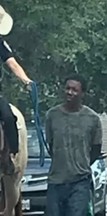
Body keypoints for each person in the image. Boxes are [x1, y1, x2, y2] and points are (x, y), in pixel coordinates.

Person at [44, 74, 103, 216]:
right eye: (67, 88)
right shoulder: (52, 115)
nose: (70, 92)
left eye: (75, 90)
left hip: (80, 182)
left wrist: (80, 163)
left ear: (82, 93)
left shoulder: (93, 119)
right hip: (56, 181)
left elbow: (95, 150)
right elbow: (51, 146)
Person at [0, 5, 32, 174]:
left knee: (8, 117)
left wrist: (26, 80)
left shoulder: (0, 44)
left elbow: (12, 63)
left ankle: (9, 155)